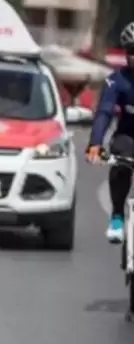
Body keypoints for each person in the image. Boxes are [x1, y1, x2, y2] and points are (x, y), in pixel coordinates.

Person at [87, 22, 134, 243]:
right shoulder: (116, 81)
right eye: (132, 51)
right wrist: (95, 144)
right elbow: (104, 113)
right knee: (121, 161)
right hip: (128, 137)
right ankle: (116, 217)